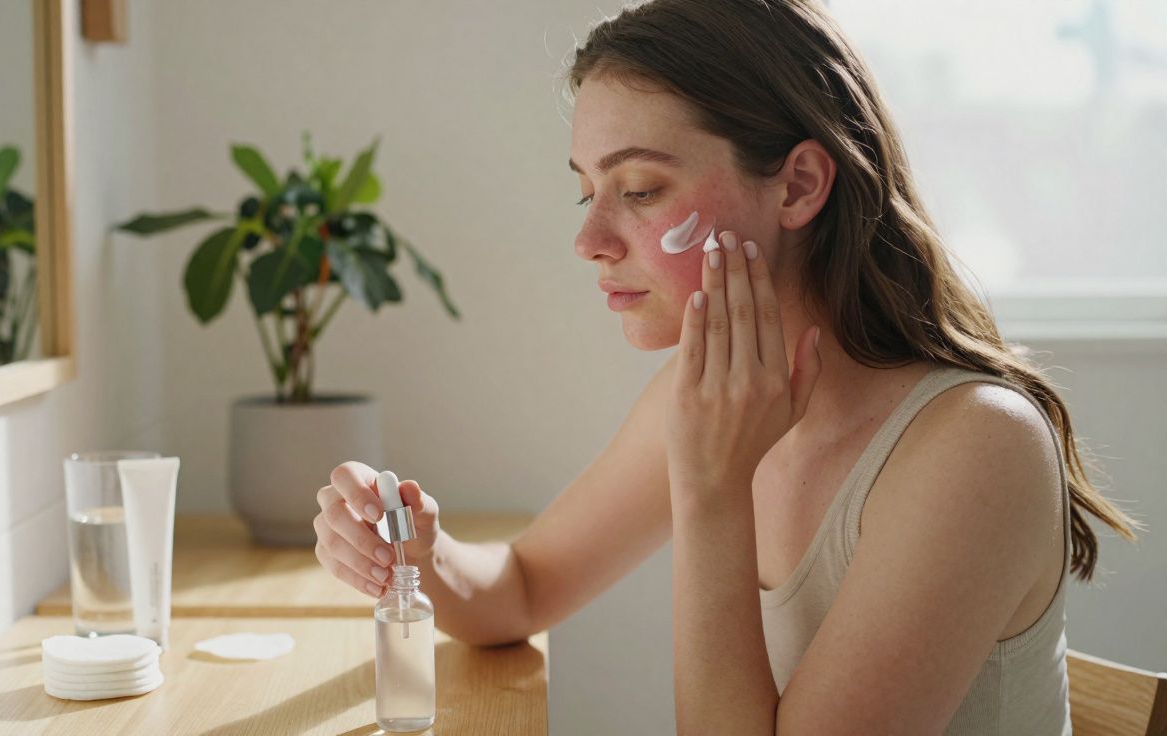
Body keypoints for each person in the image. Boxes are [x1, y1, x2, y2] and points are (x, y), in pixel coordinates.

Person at [313, 1, 1139, 732]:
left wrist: (711, 491)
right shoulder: (713, 397)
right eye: (586, 191)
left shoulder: (972, 448)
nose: (590, 239)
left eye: (638, 189)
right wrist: (419, 551)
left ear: (798, 186)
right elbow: (524, 587)